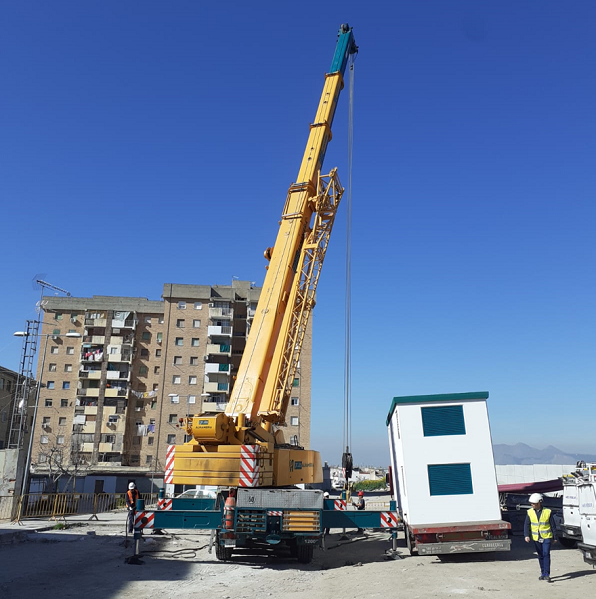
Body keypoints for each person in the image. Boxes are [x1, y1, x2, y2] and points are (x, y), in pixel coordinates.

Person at [524, 493, 557, 582]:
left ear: (539, 503)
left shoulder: (547, 512)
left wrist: (555, 537)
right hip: (536, 538)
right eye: (531, 503)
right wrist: (526, 535)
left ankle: (547, 574)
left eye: (533, 503)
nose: (532, 505)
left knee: (546, 554)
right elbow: (527, 524)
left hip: (546, 537)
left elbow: (552, 525)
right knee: (540, 555)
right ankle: (542, 573)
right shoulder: (530, 512)